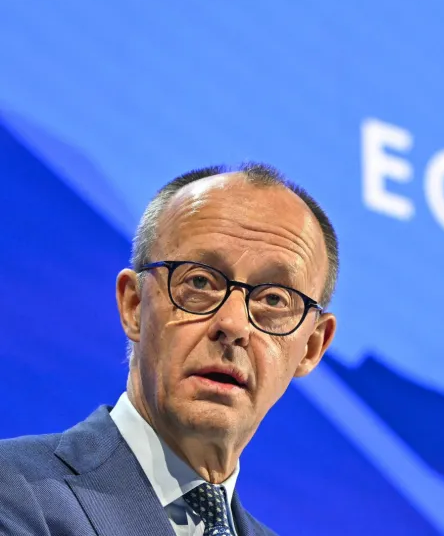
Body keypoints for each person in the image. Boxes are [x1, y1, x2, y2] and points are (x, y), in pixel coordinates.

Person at [0, 163, 339, 536]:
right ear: (134, 306)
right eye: (199, 281)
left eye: (274, 299)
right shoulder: (15, 494)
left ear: (312, 346)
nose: (233, 325)